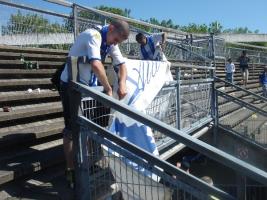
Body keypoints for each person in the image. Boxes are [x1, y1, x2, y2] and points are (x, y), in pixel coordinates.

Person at [59, 19, 130, 188]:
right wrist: (108, 89)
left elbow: (123, 66)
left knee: (88, 126)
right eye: (116, 39)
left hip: (88, 88)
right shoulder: (94, 35)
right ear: (111, 28)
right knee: (71, 130)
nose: (115, 43)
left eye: (118, 42)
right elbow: (96, 64)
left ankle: (86, 164)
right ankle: (71, 170)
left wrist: (122, 83)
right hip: (71, 85)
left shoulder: (110, 41)